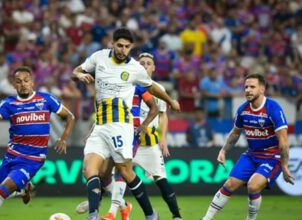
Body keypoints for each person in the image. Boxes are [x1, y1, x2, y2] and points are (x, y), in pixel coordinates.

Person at [72, 27, 180, 220]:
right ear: (112, 44)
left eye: (127, 47)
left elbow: (152, 87)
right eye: (119, 45)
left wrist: (170, 101)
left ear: (131, 48)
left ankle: (149, 214)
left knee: (125, 171)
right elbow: (76, 71)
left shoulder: (135, 69)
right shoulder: (99, 57)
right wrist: (79, 75)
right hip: (100, 126)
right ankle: (94, 215)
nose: (123, 49)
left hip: (120, 126)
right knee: (89, 169)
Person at [0, 66, 75, 220]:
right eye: (18, 81)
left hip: (32, 159)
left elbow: (70, 117)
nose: (23, 84)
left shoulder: (46, 99)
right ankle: (23, 189)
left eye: (26, 80)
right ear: (14, 85)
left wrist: (63, 138)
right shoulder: (9, 103)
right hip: (11, 156)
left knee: (0, 194)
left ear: (32, 82)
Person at [201, 73, 294, 220]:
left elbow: (283, 141)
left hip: (271, 157)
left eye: (252, 87)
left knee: (253, 185)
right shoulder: (243, 110)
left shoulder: (273, 108)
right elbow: (235, 134)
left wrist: (284, 166)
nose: (248, 90)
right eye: (246, 87)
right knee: (230, 184)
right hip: (252, 155)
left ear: (262, 89)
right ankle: (206, 218)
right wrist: (223, 150)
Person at [103, 52, 183, 220]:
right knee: (121, 173)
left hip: (150, 145)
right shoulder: (127, 85)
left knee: (161, 181)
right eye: (142, 63)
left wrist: (163, 140)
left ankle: (176, 216)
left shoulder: (158, 89)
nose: (145, 65)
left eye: (148, 63)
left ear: (153, 68)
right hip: (129, 141)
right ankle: (113, 212)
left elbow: (163, 115)